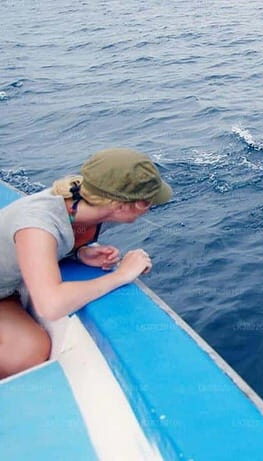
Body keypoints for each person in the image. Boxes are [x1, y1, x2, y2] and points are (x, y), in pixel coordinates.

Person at [0, 148, 172, 379]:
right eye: (147, 202)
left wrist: (78, 252)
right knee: (27, 353)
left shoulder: (75, 202)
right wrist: (121, 275)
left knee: (26, 351)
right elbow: (51, 305)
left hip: (5, 292)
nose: (151, 206)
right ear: (120, 206)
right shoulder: (36, 225)